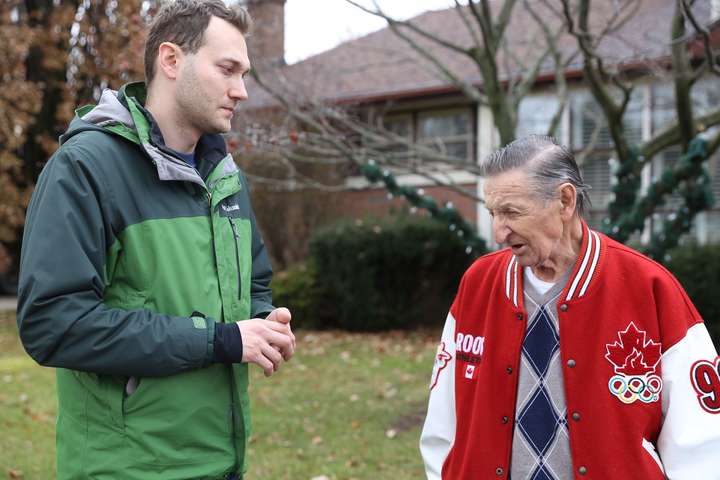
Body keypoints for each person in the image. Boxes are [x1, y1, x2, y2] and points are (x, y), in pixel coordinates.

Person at [16, 1, 295, 479]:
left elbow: (253, 286)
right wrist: (222, 340)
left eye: (244, 74)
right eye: (227, 69)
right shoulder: (86, 168)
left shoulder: (225, 178)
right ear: (171, 60)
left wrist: (263, 320)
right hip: (126, 468)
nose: (242, 90)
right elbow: (54, 324)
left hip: (221, 462)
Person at [419, 135, 720, 479]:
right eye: (493, 213)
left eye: (511, 212)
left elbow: (702, 444)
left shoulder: (650, 287)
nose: (498, 233)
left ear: (565, 200)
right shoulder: (477, 285)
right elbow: (443, 430)